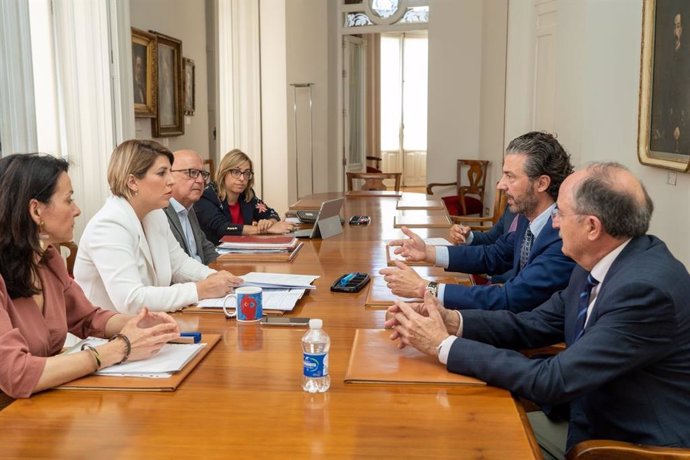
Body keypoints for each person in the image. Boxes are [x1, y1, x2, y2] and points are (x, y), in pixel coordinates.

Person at [386, 162, 690, 458]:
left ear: (592, 227)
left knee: (460, 438)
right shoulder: (598, 261)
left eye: (560, 213)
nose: (553, 222)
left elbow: (553, 380)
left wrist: (442, 345)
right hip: (583, 412)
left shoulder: (646, 291)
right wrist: (451, 320)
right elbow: (532, 324)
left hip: (623, 445)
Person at [0, 154, 181, 401]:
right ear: (36, 211)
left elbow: (88, 318)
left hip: (44, 404)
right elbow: (16, 373)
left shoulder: (48, 259)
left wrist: (141, 325)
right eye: (69, 200)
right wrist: (118, 349)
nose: (77, 210)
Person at [380, 131, 575, 313]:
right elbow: (494, 255)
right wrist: (427, 252)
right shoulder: (528, 218)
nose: (500, 184)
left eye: (510, 176)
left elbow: (511, 297)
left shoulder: (562, 236)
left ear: (542, 183)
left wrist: (424, 288)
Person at [74, 140, 243, 315]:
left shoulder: (155, 214)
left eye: (170, 172)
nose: (170, 181)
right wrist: (199, 290)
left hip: (150, 326)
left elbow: (179, 263)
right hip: (107, 337)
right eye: (162, 173)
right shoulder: (109, 225)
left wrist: (214, 277)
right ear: (132, 181)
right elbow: (131, 300)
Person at [195, 148, 294, 245]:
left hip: (242, 252)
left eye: (246, 173)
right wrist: (265, 230)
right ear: (224, 173)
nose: (242, 178)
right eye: (236, 172)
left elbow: (271, 213)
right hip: (216, 256)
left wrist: (269, 223)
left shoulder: (247, 195)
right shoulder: (207, 196)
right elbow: (223, 228)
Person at [165, 149, 218, 264]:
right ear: (170, 175)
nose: (200, 180)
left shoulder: (189, 207)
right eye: (192, 173)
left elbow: (206, 248)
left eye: (202, 174)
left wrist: (224, 270)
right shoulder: (160, 213)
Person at [448, 204, 517, 283]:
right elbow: (490, 239)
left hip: (507, 286)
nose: (500, 190)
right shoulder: (511, 208)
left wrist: (486, 274)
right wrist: (467, 236)